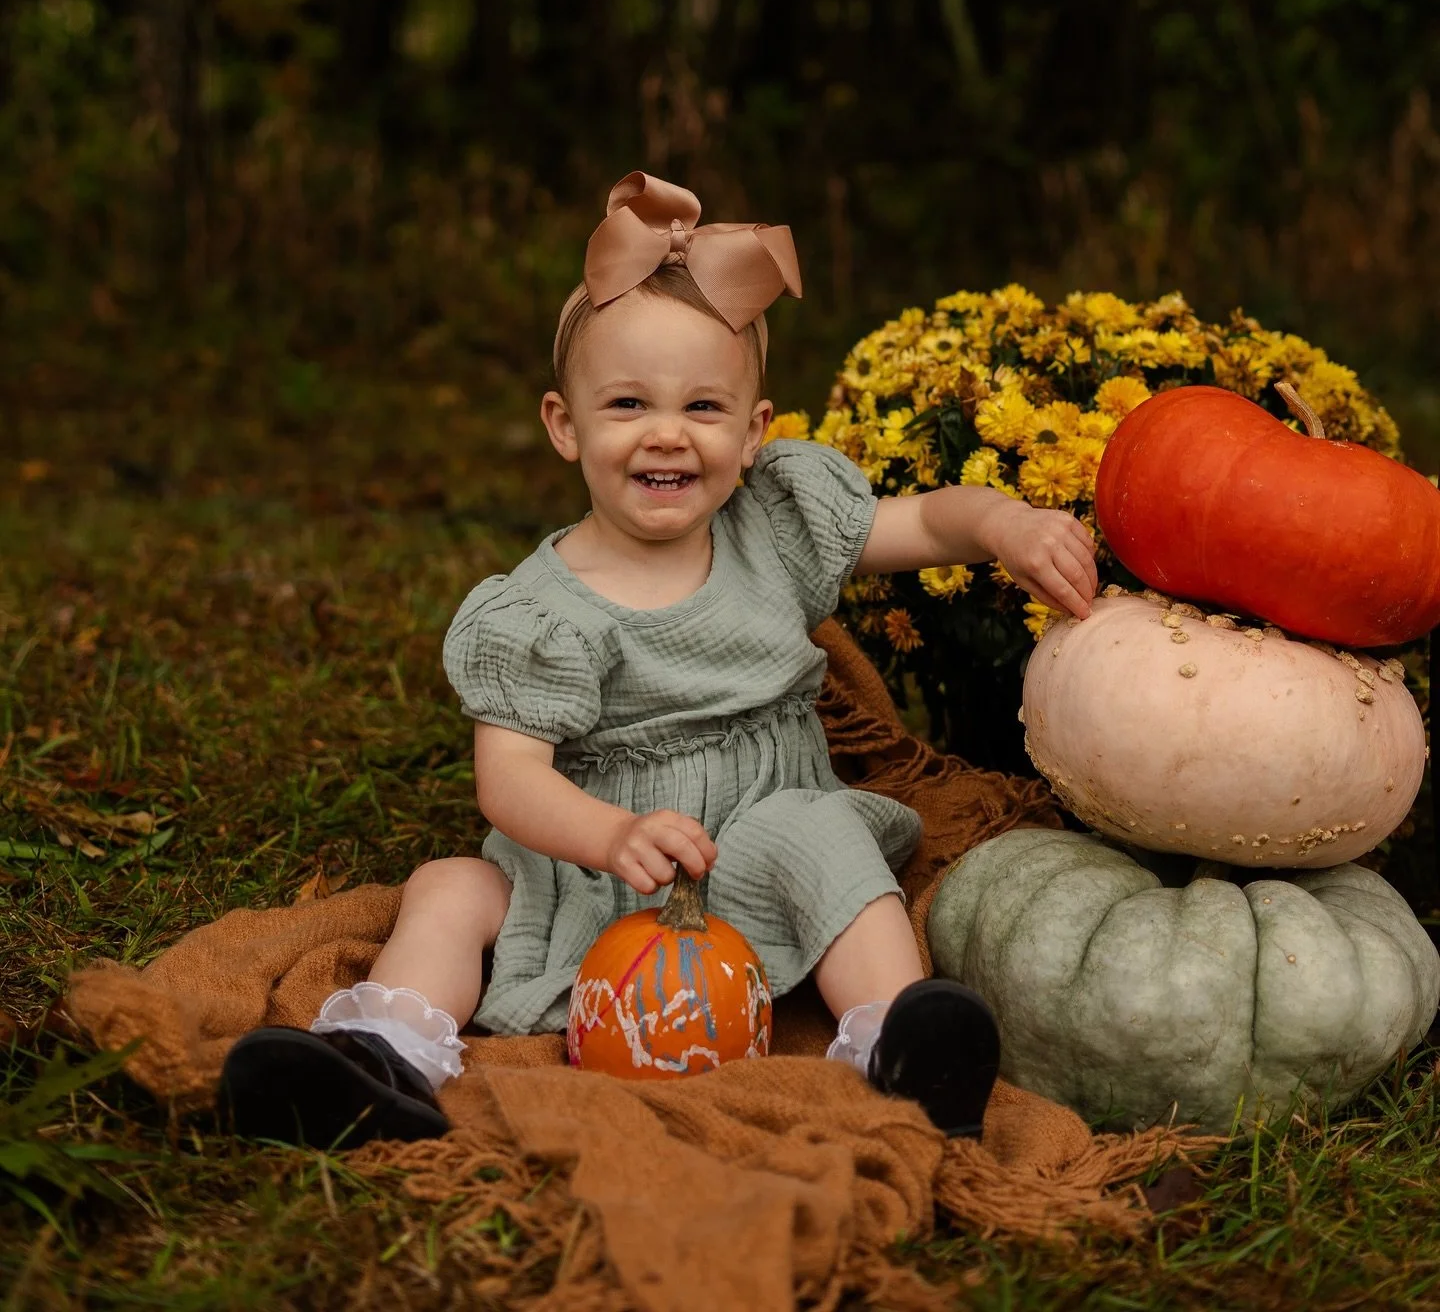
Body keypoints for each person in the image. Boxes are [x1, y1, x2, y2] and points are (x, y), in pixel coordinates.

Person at [221, 173, 1098, 1148]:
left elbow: (925, 518)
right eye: (629, 402)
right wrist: (604, 838)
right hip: (591, 873)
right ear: (567, 425)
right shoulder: (541, 610)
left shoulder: (775, 523)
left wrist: (1003, 522)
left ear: (756, 432)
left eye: (705, 407)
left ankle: (906, 1041)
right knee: (449, 887)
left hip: (765, 838)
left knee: (833, 845)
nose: (667, 433)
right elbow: (508, 780)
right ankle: (381, 1061)